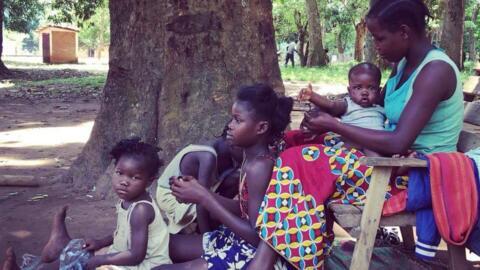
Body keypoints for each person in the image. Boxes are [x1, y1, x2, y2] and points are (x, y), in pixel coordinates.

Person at [248, 0, 464, 269]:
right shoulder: (402, 67)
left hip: (411, 175)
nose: (377, 46)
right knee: (293, 145)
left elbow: (399, 140)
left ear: (405, 32)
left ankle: (267, 259)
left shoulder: (435, 71)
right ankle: (284, 251)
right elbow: (371, 111)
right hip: (387, 162)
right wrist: (326, 115)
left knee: (300, 162)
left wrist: (335, 125)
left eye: (380, 38)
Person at [154, 84, 293, 270]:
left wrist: (204, 197)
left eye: (237, 120)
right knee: (158, 245)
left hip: (255, 252)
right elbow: (245, 209)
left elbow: (259, 237)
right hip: (238, 239)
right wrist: (201, 193)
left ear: (261, 128)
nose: (229, 125)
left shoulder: (261, 166)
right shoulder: (250, 158)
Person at [2, 138, 171, 270]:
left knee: (88, 263)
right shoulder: (128, 200)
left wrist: (101, 259)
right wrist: (101, 242)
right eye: (120, 173)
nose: (124, 182)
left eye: (134, 177)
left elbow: (136, 255)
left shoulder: (141, 210)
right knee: (82, 252)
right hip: (125, 254)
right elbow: (124, 233)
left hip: (146, 265)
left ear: (149, 181)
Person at [156, 125, 243, 234]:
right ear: (233, 145)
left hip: (191, 194)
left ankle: (201, 229)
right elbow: (201, 201)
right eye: (246, 150)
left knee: (235, 180)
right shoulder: (207, 157)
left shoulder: (229, 162)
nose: (247, 156)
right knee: (218, 210)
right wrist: (205, 236)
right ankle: (203, 233)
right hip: (170, 194)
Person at [297, 62, 385, 156]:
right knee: (341, 149)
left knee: (376, 154)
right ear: (349, 91)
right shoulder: (348, 104)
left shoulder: (381, 109)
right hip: (350, 144)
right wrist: (312, 96)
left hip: (373, 145)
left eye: (371, 88)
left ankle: (386, 168)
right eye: (358, 88)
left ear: (379, 91)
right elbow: (331, 105)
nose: (364, 92)